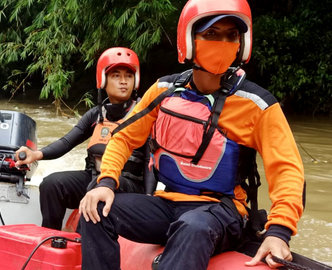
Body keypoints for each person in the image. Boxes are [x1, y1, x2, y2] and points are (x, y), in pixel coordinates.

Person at [78, 0, 305, 269]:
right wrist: (106, 182)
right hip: (169, 203)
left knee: (193, 226)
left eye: (231, 35)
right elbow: (124, 137)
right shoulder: (164, 89)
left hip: (223, 211)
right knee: (95, 210)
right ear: (188, 40)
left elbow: (288, 170)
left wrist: (279, 231)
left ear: (241, 43)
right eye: (211, 34)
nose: (222, 42)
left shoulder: (257, 104)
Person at [15, 47, 146, 230]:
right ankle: (49, 239)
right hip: (94, 178)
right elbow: (67, 142)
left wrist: (149, 199)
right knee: (52, 184)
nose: (123, 82)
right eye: (116, 76)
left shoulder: (144, 116)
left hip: (128, 185)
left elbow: (153, 162)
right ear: (103, 80)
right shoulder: (96, 115)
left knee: (96, 186)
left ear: (136, 80)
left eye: (129, 76)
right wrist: (36, 154)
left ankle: (83, 243)